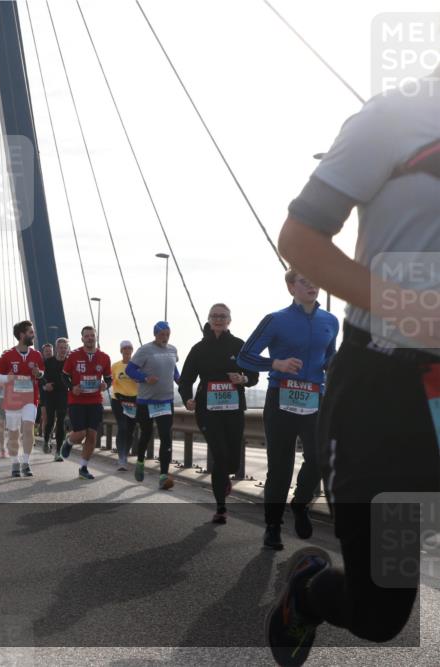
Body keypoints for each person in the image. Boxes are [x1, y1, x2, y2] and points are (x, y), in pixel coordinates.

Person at [263, 68, 439, 666]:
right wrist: (404, 306)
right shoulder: (393, 117)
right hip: (388, 395)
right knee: (380, 613)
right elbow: (301, 236)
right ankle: (309, 591)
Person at [238, 269, 339, 550]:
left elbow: (329, 357)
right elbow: (245, 356)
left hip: (314, 400)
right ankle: (272, 527)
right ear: (291, 287)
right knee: (280, 467)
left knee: (319, 458)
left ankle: (300, 503)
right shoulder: (275, 320)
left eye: (315, 280)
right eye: (305, 281)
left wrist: (335, 369)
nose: (312, 285)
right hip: (280, 398)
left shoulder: (330, 321)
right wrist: (276, 364)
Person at [178, 304, 259, 523]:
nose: (218, 319)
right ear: (209, 319)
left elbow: (254, 375)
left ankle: (225, 477)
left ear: (229, 320)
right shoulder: (199, 348)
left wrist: (243, 379)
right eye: (214, 316)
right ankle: (220, 508)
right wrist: (188, 399)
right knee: (220, 455)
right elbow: (185, 380)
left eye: (222, 316)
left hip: (233, 411)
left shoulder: (239, 345)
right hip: (208, 411)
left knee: (232, 460)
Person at [126, 322, 179, 490]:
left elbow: (174, 371)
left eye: (167, 334)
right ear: (155, 334)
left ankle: (163, 475)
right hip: (146, 401)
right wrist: (144, 378)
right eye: (162, 334)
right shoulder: (145, 350)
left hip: (166, 401)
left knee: (166, 437)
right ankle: (140, 461)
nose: (165, 337)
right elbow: (130, 370)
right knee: (146, 434)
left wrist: (183, 384)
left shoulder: (172, 350)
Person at [0, 320, 46, 477]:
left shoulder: (36, 355)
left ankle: (26, 462)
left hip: (31, 397)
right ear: (22, 335)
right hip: (13, 400)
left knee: (28, 428)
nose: (33, 335)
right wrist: (7, 378)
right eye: (30, 332)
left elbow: (42, 372)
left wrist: (39, 374)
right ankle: (15, 461)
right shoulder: (8, 355)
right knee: (14, 433)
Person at [60, 327, 111, 480]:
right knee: (80, 434)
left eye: (92, 335)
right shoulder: (74, 355)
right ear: (82, 338)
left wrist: (105, 385)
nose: (89, 338)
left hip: (95, 401)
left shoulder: (104, 357)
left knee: (92, 435)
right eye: (86, 336)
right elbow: (64, 376)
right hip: (77, 401)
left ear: (96, 337)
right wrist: (71, 387)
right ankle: (69, 441)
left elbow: (109, 378)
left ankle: (83, 467)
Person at [109, 341, 138, 471]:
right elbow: (108, 380)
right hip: (118, 400)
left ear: (132, 351)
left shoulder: (138, 366)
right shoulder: (115, 366)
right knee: (122, 427)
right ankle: (121, 458)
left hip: (133, 401)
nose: (127, 350)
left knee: (130, 430)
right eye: (124, 348)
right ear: (121, 351)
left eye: (129, 348)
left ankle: (125, 455)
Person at [42, 337, 70, 458]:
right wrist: (45, 385)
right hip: (50, 394)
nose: (63, 350)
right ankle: (46, 440)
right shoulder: (48, 362)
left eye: (65, 348)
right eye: (61, 348)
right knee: (50, 421)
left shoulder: (70, 362)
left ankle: (58, 451)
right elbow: (40, 378)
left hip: (63, 394)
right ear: (56, 348)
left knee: (61, 422)